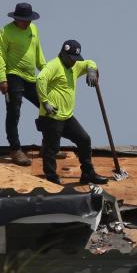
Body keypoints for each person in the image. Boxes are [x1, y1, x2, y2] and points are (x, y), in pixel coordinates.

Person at [35, 40, 109, 186]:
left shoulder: (74, 66)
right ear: (63, 54)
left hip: (67, 116)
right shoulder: (54, 65)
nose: (73, 62)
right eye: (71, 58)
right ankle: (51, 179)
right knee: (51, 148)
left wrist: (92, 70)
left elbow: (90, 62)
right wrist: (45, 102)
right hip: (52, 116)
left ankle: (88, 173)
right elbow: (40, 79)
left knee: (84, 139)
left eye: (75, 59)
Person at [0, 2, 46, 166]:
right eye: (23, 20)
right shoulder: (5, 32)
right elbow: (0, 56)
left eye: (29, 20)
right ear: (16, 18)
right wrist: (2, 79)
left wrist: (46, 71)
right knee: (14, 112)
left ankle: (48, 145)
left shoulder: (34, 29)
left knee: (48, 106)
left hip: (31, 77)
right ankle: (16, 149)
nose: (27, 23)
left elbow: (39, 53)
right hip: (13, 76)